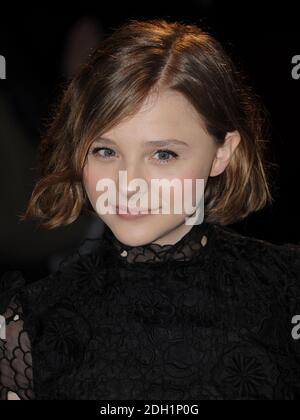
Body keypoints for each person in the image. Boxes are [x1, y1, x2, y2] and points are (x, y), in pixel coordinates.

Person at [0, 19, 299, 400]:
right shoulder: (31, 323)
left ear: (222, 153)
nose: (128, 182)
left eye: (163, 154)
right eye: (105, 150)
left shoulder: (288, 292)